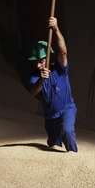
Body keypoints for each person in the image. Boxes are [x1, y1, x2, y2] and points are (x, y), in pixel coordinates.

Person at [28, 16, 78, 152]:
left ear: (48, 57)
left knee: (67, 131)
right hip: (50, 117)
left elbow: (63, 51)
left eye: (41, 60)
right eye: (36, 61)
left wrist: (56, 29)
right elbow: (33, 92)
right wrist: (41, 81)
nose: (38, 64)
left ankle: (74, 159)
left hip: (66, 109)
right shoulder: (35, 76)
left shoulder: (59, 68)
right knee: (53, 146)